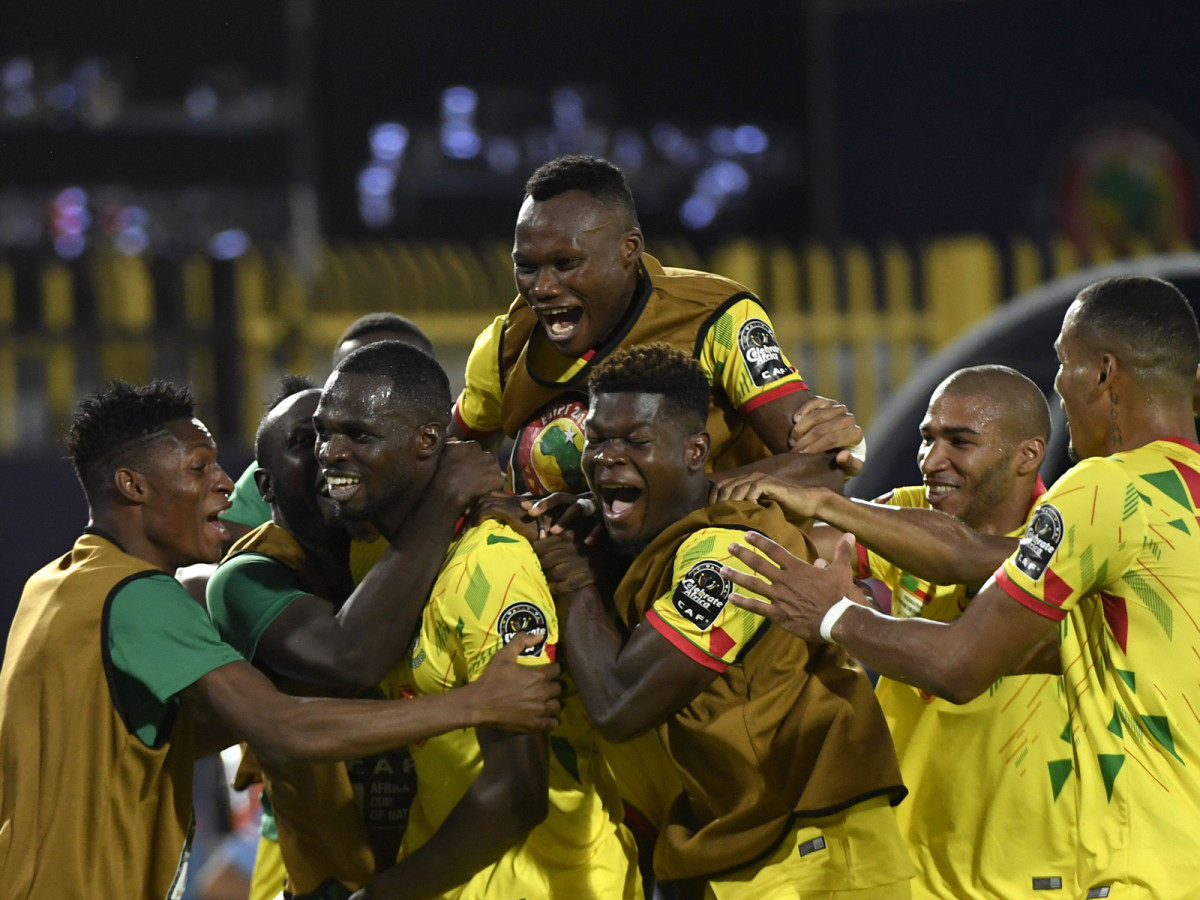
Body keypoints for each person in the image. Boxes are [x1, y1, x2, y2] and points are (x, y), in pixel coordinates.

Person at [722, 275, 1200, 898]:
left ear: (1104, 372)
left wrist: (832, 614)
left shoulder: (1101, 492)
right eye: (928, 438)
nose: (1059, 383)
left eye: (1064, 364)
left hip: (1126, 872)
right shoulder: (1173, 506)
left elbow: (959, 657)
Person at [0, 379, 561, 898]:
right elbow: (282, 728)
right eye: (199, 468)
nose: (225, 483)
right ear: (133, 485)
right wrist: (477, 702)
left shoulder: (53, 585)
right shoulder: (140, 596)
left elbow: (158, 737)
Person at [519, 343, 913, 898]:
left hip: (815, 857)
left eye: (636, 441)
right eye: (598, 439)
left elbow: (619, 705)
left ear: (695, 451)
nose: (608, 457)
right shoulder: (658, 542)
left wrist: (575, 580)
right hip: (743, 850)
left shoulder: (731, 552)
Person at [718, 365, 1075, 898]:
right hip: (908, 865)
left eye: (960, 442)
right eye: (928, 438)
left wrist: (827, 511)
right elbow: (796, 546)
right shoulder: (909, 513)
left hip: (1027, 872)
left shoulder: (1072, 537)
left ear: (1027, 455)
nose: (931, 460)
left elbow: (958, 556)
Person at [308, 341, 638, 900]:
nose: (330, 452)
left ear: (427, 441)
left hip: (549, 885)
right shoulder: (378, 559)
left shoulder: (492, 562)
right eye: (323, 432)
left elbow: (518, 792)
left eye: (358, 435)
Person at [206, 376, 505, 900]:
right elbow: (351, 655)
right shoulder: (246, 579)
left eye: (345, 437)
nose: (329, 456)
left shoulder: (432, 544)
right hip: (337, 885)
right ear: (266, 486)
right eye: (306, 442)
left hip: (466, 874)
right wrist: (444, 501)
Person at [448, 154, 861, 496]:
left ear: (629, 249)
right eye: (526, 267)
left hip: (704, 554)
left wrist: (663, 503)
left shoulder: (715, 317)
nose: (542, 288)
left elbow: (821, 467)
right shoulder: (504, 345)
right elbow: (445, 467)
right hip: (544, 565)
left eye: (567, 263)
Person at [221, 312, 435, 546]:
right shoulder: (294, 462)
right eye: (356, 372)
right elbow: (226, 536)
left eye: (399, 375)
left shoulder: (452, 456)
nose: (372, 390)